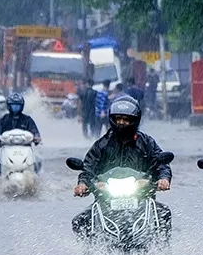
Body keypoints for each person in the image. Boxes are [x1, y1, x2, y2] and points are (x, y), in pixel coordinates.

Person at [72, 97, 172, 236]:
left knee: (164, 214)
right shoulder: (101, 145)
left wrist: (163, 178)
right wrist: (82, 184)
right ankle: (90, 254)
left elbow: (161, 163)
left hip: (141, 197)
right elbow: (88, 167)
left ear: (135, 120)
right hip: (106, 199)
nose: (121, 123)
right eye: (118, 119)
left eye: (126, 119)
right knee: (80, 221)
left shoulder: (146, 143)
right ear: (112, 119)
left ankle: (162, 251)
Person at [0, 93, 43, 176]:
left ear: (22, 106)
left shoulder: (27, 119)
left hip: (25, 147)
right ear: (9, 106)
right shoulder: (4, 119)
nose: (15, 108)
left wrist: (37, 137)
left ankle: (36, 176)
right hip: (6, 147)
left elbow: (34, 131)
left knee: (38, 159)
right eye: (13, 105)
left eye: (18, 106)